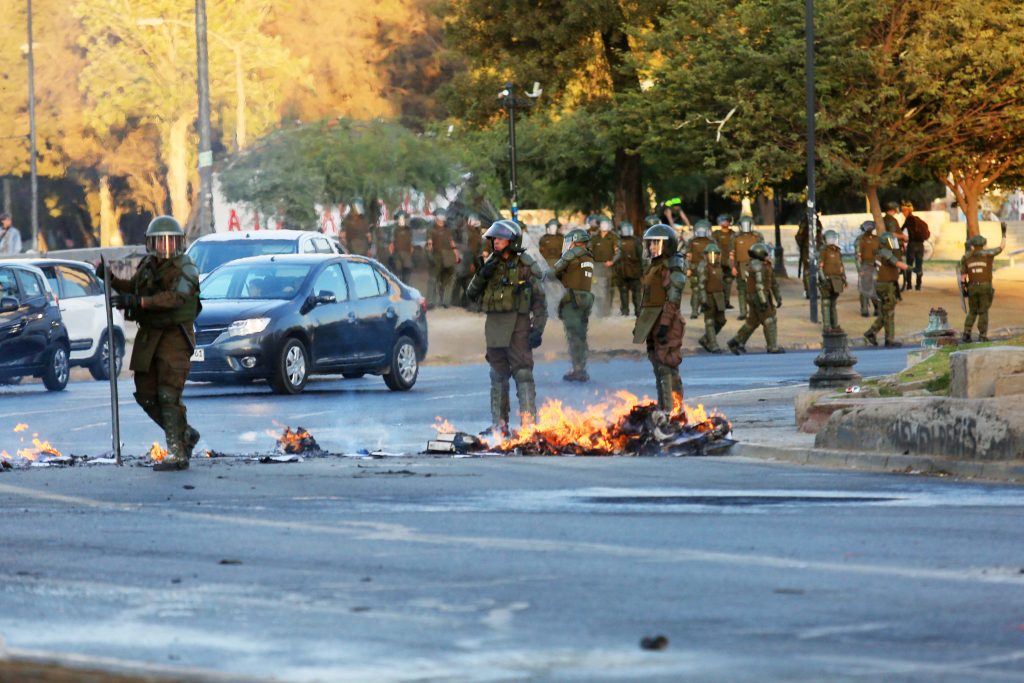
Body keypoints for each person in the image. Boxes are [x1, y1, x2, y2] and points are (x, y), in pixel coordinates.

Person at [96, 216, 200, 471]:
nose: (164, 246)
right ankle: (185, 434)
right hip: (149, 336)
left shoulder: (186, 267)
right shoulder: (146, 266)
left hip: (175, 336)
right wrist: (109, 278)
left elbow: (175, 297)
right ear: (150, 243)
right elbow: (132, 289)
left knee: (168, 393)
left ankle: (177, 452)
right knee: (146, 394)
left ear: (179, 243)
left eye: (170, 241)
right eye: (159, 241)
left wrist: (140, 303)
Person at [466, 220, 546, 432]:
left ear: (512, 241)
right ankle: (499, 425)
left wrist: (538, 329)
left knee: (523, 373)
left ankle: (528, 426)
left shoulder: (525, 265)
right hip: (494, 326)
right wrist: (482, 274)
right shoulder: (490, 264)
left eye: (501, 238)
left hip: (519, 325)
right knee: (497, 375)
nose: (496, 242)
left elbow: (540, 301)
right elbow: (471, 293)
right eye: (494, 238)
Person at [632, 224, 686, 412]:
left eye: (657, 243)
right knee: (658, 365)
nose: (652, 247)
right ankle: (666, 407)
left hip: (667, 322)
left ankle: (671, 411)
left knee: (666, 366)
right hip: (651, 322)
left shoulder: (671, 268)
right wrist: (641, 324)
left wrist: (664, 325)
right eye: (651, 243)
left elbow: (673, 300)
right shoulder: (653, 267)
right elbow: (647, 298)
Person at [727, 243, 784, 354]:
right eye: (766, 253)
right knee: (769, 320)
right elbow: (759, 285)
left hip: (756, 296)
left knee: (752, 322)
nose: (768, 255)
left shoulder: (765, 265)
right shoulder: (757, 266)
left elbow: (773, 283)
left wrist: (778, 297)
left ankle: (736, 341)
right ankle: (772, 347)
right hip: (759, 296)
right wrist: (763, 301)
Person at [553, 228, 594, 382]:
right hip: (586, 298)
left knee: (574, 336)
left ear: (575, 241)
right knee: (581, 335)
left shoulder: (573, 254)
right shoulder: (587, 257)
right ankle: (581, 367)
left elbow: (556, 269)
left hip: (574, 300)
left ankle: (578, 370)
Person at [960, 225, 1007, 342]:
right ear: (983, 244)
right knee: (983, 311)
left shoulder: (966, 257)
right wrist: (1004, 234)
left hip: (972, 286)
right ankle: (982, 335)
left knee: (972, 311)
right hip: (985, 286)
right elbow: (1001, 247)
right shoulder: (988, 254)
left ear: (972, 245)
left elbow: (963, 276)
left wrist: (964, 289)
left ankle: (966, 333)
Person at [863, 231, 911, 347]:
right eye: (891, 241)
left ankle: (872, 332)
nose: (894, 243)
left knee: (884, 312)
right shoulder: (886, 253)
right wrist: (912, 269)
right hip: (886, 284)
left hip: (880, 284)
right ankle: (888, 338)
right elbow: (898, 263)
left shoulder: (879, 251)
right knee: (889, 312)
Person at [425, 208, 460, 308]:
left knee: (448, 279)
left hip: (448, 257)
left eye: (443, 217)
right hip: (437, 256)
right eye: (440, 217)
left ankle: (445, 301)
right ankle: (430, 302)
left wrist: (456, 255)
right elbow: (429, 243)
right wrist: (430, 254)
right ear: (436, 218)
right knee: (433, 279)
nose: (441, 220)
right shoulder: (431, 230)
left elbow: (452, 244)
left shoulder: (448, 230)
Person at [696, 243, 726, 353]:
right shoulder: (704, 267)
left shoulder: (719, 267)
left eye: (715, 254)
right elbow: (701, 285)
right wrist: (703, 300)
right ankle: (713, 344)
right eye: (710, 254)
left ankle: (705, 339)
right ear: (706, 255)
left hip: (719, 297)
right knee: (709, 321)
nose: (712, 257)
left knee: (721, 321)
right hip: (708, 296)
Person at [733, 216, 764, 321]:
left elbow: (763, 250)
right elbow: (732, 254)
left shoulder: (757, 236)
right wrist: (733, 267)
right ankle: (743, 312)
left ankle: (755, 311)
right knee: (742, 290)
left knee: (755, 289)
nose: (746, 227)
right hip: (741, 266)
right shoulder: (735, 237)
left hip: (755, 265)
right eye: (743, 224)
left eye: (747, 224)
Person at [589, 217, 620, 317]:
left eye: (606, 223)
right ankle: (599, 311)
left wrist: (612, 261)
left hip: (609, 267)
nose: (604, 226)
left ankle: (607, 311)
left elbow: (618, 252)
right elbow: (589, 250)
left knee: (608, 289)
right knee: (596, 289)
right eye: (602, 224)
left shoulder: (614, 237)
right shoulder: (594, 237)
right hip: (596, 267)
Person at [818, 229, 847, 330]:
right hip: (827, 280)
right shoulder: (823, 251)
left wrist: (844, 278)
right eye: (829, 238)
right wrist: (823, 279)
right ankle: (827, 325)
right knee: (826, 302)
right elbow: (820, 267)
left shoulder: (838, 251)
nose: (831, 240)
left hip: (837, 280)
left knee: (833, 303)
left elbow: (841, 266)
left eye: (833, 238)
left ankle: (834, 324)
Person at [684, 219, 713, 319]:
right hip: (694, 268)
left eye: (703, 229)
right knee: (696, 289)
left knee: (707, 289)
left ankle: (705, 308)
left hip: (707, 268)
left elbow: (716, 256)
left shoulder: (711, 241)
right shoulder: (692, 241)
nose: (701, 231)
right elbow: (688, 255)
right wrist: (688, 268)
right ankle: (694, 311)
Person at [901, 200, 930, 291]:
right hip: (920, 245)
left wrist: (902, 238)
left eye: (904, 211)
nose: (903, 213)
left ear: (908, 211)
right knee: (919, 265)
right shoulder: (918, 219)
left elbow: (901, 230)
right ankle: (918, 285)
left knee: (909, 265)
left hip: (912, 245)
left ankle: (909, 285)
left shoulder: (908, 219)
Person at [616, 220, 643, 316]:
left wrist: (642, 271)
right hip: (623, 271)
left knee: (636, 293)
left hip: (633, 271)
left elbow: (641, 257)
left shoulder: (636, 242)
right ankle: (626, 311)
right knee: (625, 292)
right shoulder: (618, 241)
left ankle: (637, 310)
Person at [854, 220, 880, 318]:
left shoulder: (876, 239)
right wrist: (860, 269)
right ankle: (864, 308)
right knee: (864, 288)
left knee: (875, 287)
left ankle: (877, 307)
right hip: (865, 265)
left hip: (875, 265)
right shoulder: (860, 240)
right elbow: (857, 256)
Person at [795, 212, 824, 299]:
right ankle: (809, 291)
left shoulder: (817, 222)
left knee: (819, 269)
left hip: (817, 248)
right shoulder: (805, 223)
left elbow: (820, 235)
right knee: (808, 270)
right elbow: (799, 237)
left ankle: (818, 290)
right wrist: (803, 246)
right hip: (808, 249)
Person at [711, 214, 737, 310]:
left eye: (726, 221)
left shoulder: (733, 234)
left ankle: (726, 302)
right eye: (723, 221)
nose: (725, 223)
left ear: (730, 222)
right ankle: (717, 303)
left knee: (728, 282)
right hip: (718, 262)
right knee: (717, 282)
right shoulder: (716, 234)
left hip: (730, 262)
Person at [388, 210, 414, 283]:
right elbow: (391, 244)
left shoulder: (409, 230)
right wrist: (392, 253)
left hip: (407, 253)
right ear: (398, 220)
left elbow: (411, 242)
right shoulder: (394, 230)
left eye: (403, 218)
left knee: (407, 270)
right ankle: (398, 285)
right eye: (400, 218)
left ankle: (405, 284)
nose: (402, 220)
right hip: (397, 253)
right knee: (397, 271)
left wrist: (411, 249)